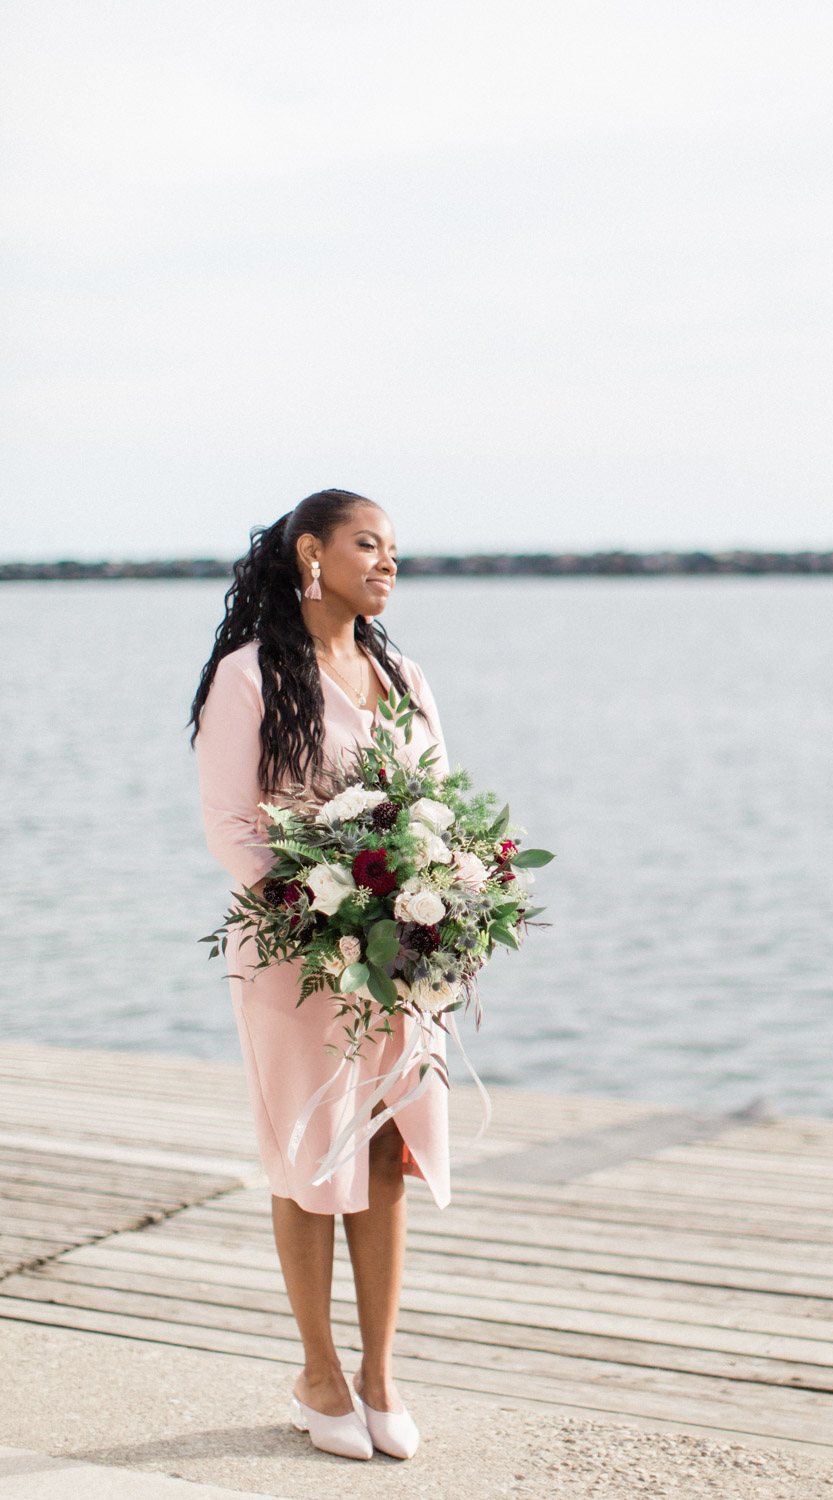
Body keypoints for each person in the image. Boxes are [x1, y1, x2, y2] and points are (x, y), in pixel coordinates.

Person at [190, 488, 449, 1463]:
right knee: (307, 1158)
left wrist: (432, 909)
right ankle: (318, 1373)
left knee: (388, 1154)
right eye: (367, 545)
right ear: (312, 553)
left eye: (395, 550)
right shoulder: (250, 676)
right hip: (295, 955)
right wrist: (326, 918)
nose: (387, 563)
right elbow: (232, 825)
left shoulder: (406, 672)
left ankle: (381, 1376)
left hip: (400, 959)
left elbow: (438, 807)